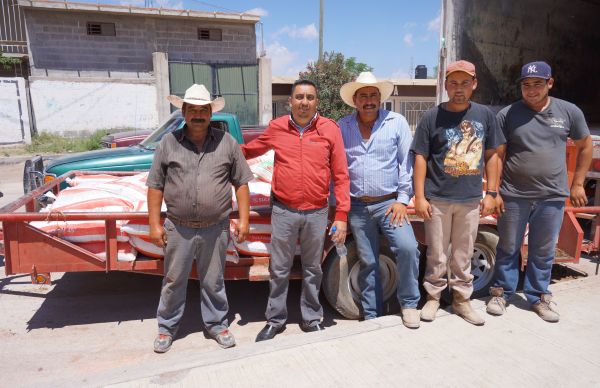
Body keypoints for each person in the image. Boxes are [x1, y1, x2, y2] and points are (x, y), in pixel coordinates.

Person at [147, 84, 253, 352]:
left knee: (214, 280)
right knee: (173, 281)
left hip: (215, 228)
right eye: (191, 109)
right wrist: (153, 224)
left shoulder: (227, 143)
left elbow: (241, 183)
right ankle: (166, 328)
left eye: (202, 110)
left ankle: (217, 324)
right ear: (183, 111)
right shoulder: (168, 143)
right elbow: (155, 185)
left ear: (210, 113)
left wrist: (244, 220)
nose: (197, 115)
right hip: (178, 228)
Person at [241, 79, 350, 341]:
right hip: (284, 210)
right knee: (279, 268)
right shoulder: (277, 128)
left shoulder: (329, 129)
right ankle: (275, 320)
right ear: (290, 101)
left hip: (316, 212)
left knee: (313, 268)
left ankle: (311, 317)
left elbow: (341, 175)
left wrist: (342, 215)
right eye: (299, 97)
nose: (304, 102)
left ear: (317, 102)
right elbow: (250, 149)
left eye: (310, 97)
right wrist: (221, 152)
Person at [486, 61, 592, 322]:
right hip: (513, 194)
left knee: (543, 250)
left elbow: (586, 145)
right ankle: (501, 293)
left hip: (552, 195)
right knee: (508, 247)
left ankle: (538, 297)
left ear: (550, 83)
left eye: (537, 84)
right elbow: (497, 155)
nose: (531, 90)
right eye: (526, 85)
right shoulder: (508, 115)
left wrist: (577, 183)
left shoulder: (568, 112)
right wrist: (494, 191)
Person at [412, 60, 504, 326]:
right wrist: (419, 196)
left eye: (465, 83)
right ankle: (433, 298)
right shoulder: (432, 116)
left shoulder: (485, 115)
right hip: (437, 197)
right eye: (453, 83)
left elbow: (492, 156)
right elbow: (421, 157)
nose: (459, 88)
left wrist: (492, 192)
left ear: (474, 84)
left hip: (470, 198)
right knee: (436, 253)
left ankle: (462, 301)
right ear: (445, 85)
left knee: (463, 253)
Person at [338, 72, 421, 328]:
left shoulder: (396, 122)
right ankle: (372, 314)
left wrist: (403, 199)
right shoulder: (342, 126)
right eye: (363, 95)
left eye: (373, 95)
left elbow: (406, 162)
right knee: (368, 261)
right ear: (355, 100)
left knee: (408, 248)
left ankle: (408, 305)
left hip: (390, 204)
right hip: (357, 206)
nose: (369, 100)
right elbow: (336, 166)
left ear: (380, 98)